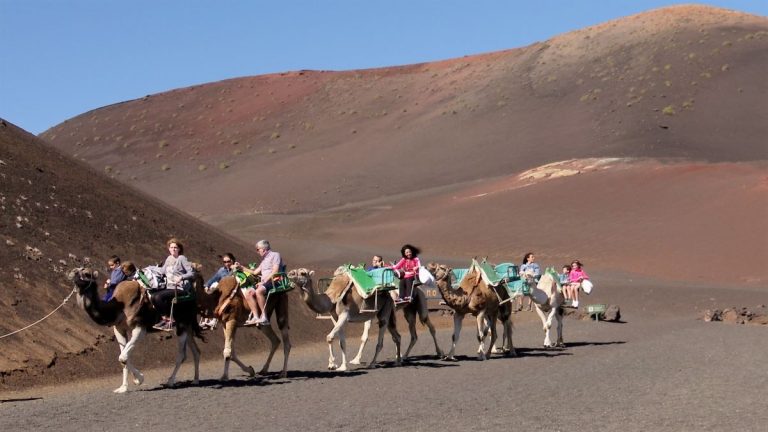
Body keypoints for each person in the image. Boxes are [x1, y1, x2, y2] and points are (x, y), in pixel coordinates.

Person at [153, 238, 196, 330]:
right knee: (153, 296)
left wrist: (181, 277)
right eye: (171, 247)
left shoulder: (181, 259)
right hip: (169, 287)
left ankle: (169, 319)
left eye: (175, 247)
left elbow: (191, 273)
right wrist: (150, 269)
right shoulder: (169, 258)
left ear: (179, 249)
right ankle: (164, 319)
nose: (173, 249)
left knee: (158, 297)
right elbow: (162, 271)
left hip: (179, 288)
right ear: (169, 249)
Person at [239, 240, 283, 326]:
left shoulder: (275, 255)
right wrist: (241, 267)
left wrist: (264, 282)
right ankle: (256, 317)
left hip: (274, 280)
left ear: (263, 249)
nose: (257, 251)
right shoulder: (264, 260)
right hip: (264, 282)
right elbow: (255, 272)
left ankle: (264, 317)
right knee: (248, 292)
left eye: (258, 249)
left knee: (259, 291)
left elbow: (275, 271)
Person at [199, 253, 236, 329]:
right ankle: (206, 319)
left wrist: (234, 269)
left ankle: (214, 318)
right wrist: (206, 286)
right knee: (210, 295)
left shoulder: (236, 269)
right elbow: (213, 279)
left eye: (228, 261)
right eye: (224, 262)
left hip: (231, 291)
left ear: (232, 260)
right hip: (221, 289)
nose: (227, 264)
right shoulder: (222, 270)